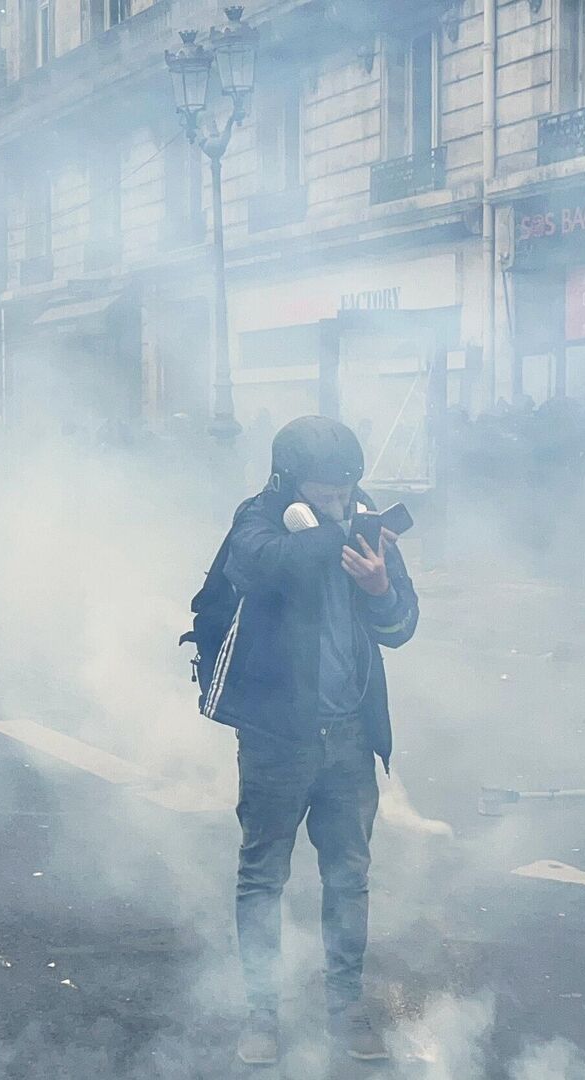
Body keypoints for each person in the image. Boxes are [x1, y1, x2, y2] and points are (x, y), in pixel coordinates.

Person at [197, 416, 419, 1067]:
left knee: (348, 877)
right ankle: (262, 1011)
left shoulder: (364, 525)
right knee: (264, 876)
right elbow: (262, 565)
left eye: (348, 486)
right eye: (326, 488)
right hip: (276, 740)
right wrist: (335, 533)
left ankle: (346, 1005)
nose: (340, 498)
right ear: (291, 483)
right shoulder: (259, 520)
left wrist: (379, 588)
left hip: (350, 737)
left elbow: (402, 625)